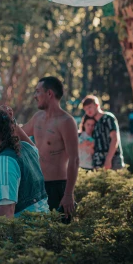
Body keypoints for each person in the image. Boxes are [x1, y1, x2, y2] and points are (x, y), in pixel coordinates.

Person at [22, 77, 79, 219]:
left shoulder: (66, 121)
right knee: (35, 235)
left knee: (57, 237)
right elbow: (18, 133)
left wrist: (68, 194)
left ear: (49, 94)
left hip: (57, 188)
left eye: (37, 92)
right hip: (36, 187)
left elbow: (75, 159)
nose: (35, 96)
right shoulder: (37, 117)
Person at [0, 107, 49, 221]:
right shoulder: (27, 149)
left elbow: (6, 213)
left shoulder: (4, 162)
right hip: (39, 232)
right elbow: (31, 146)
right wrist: (11, 121)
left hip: (21, 236)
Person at [82, 95, 124, 170]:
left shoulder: (108, 118)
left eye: (89, 107)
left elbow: (115, 139)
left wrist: (108, 159)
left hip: (113, 161)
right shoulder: (92, 123)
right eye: (85, 109)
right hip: (97, 163)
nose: (88, 111)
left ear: (97, 105)